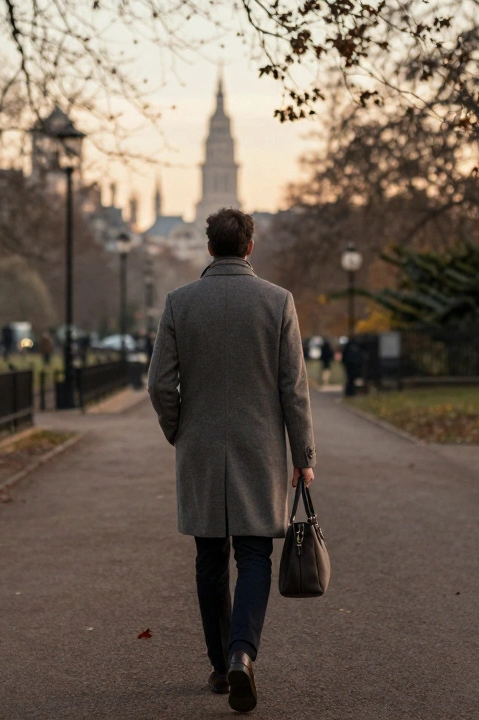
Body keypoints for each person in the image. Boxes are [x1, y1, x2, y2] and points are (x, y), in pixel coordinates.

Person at [148, 208, 316, 714]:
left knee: (208, 558)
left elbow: (159, 384)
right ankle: (244, 652)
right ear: (249, 247)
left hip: (200, 446)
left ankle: (220, 667)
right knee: (254, 555)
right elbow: (294, 388)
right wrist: (302, 455)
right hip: (258, 447)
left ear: (209, 247)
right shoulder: (277, 302)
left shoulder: (180, 303)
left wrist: (178, 429)